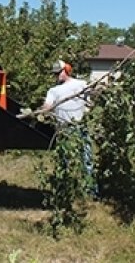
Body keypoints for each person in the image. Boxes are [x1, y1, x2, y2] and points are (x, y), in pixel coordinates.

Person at [42, 60, 97, 197]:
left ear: (66, 70)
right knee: (64, 160)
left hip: (80, 125)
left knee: (87, 158)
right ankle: (64, 190)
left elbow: (93, 96)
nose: (57, 76)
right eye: (55, 74)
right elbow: (47, 106)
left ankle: (91, 191)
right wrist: (42, 111)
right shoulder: (53, 91)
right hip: (64, 129)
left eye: (59, 72)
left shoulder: (81, 84)